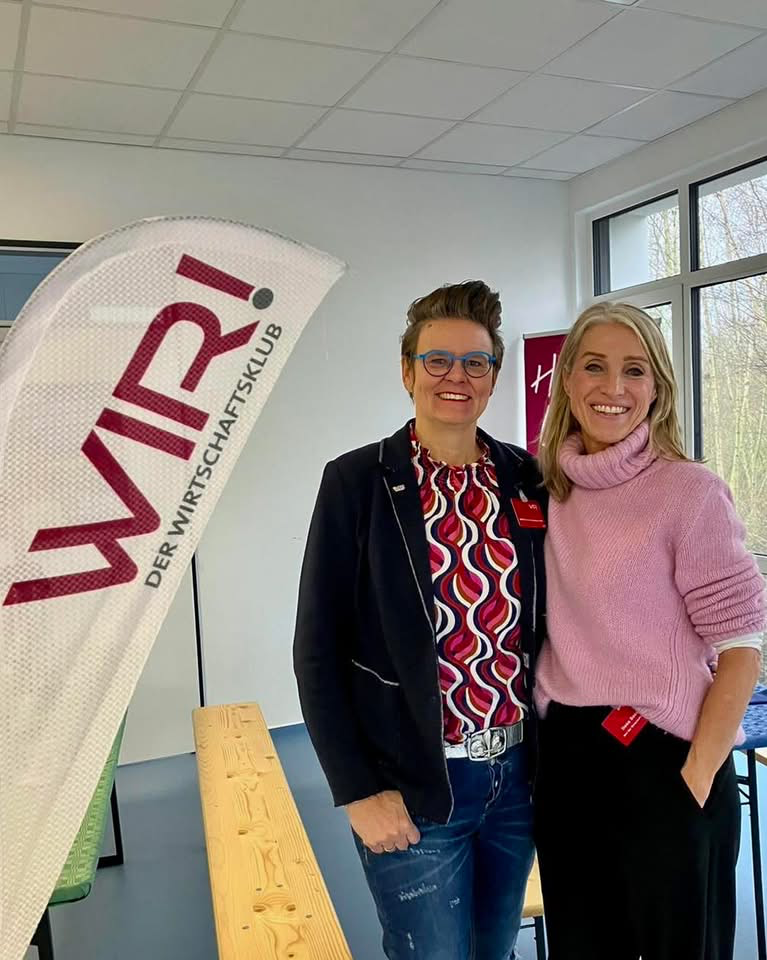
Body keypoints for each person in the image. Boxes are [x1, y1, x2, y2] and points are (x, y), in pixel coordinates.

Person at [293, 281, 547, 960]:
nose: (455, 377)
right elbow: (317, 651)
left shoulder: (527, 478)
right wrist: (357, 791)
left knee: (495, 949)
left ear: (494, 375)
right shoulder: (357, 482)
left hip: (516, 779)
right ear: (407, 372)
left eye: (475, 362)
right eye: (437, 360)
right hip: (413, 784)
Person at [534, 301, 766, 960]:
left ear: (657, 387)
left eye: (634, 370)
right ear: (566, 379)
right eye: (594, 366)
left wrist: (695, 775)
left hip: (667, 759)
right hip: (570, 760)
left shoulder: (689, 492)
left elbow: (741, 649)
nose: (612, 386)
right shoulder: (545, 490)